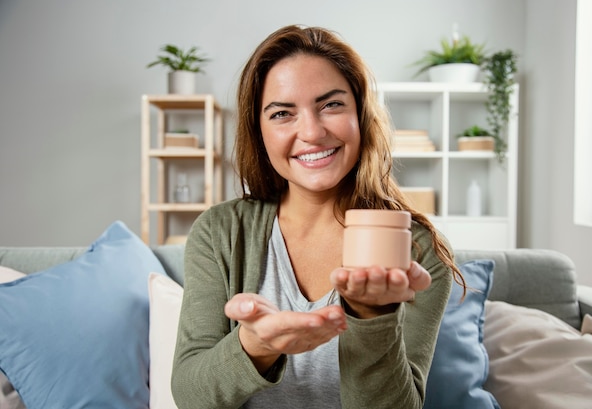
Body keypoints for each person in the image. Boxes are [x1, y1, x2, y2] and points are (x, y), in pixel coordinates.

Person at [171, 24, 464, 409]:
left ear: (360, 114)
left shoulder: (417, 249)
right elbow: (189, 395)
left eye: (331, 105)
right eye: (282, 113)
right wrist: (256, 345)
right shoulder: (220, 232)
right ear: (258, 132)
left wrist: (373, 318)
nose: (311, 132)